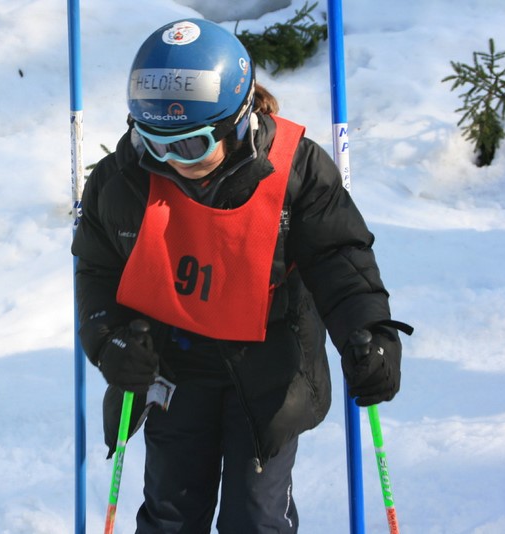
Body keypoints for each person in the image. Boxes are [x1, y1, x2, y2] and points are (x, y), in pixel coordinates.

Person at [72, 18, 413, 533]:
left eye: (189, 146)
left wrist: (371, 333)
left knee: (254, 518)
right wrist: (109, 341)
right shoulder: (123, 177)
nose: (170, 160)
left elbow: (338, 258)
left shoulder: (296, 169)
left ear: (236, 121)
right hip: (171, 363)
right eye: (154, 142)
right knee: (169, 514)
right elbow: (98, 269)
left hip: (268, 367)